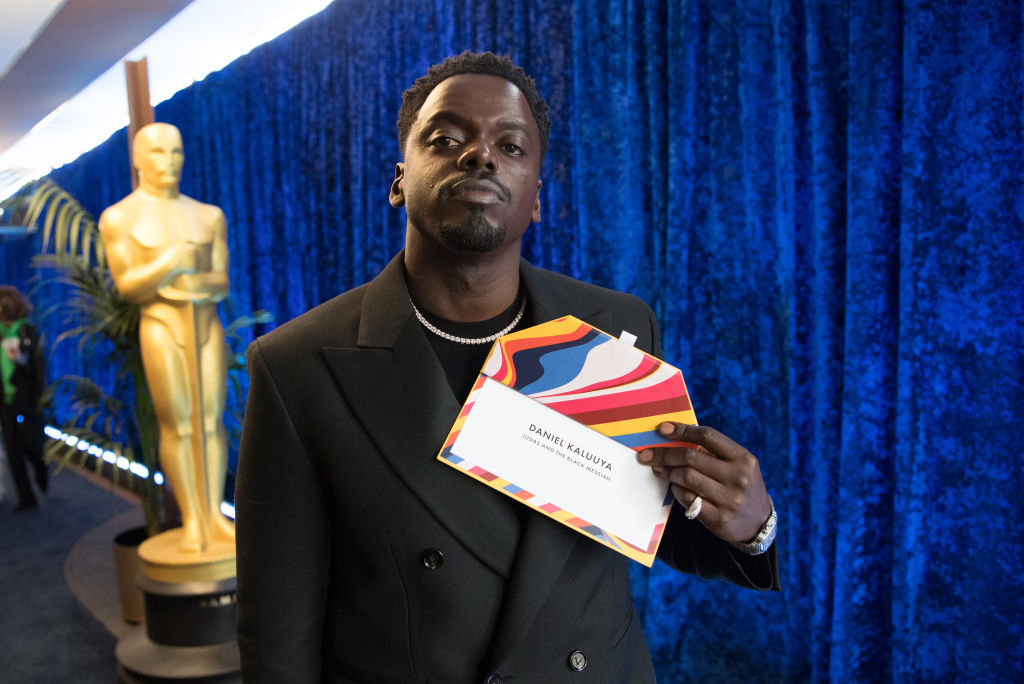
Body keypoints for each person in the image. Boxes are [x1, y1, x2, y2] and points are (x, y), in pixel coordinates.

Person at [236, 52, 779, 682]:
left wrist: (750, 527)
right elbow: (277, 632)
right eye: (446, 138)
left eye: (511, 145)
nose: (481, 155)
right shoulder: (297, 366)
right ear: (398, 179)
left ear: (537, 200)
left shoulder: (615, 327)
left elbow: (651, 521)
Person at [98, 123, 235, 554]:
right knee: (177, 421)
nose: (169, 162)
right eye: (158, 153)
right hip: (161, 327)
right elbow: (129, 287)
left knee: (211, 421)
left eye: (176, 152)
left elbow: (219, 281)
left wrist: (185, 282)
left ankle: (213, 514)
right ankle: (193, 520)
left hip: (205, 327)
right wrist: (174, 264)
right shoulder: (120, 217)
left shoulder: (207, 214)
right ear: (138, 159)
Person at [0, 285, 47, 512]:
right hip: (4, 400)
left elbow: (32, 365)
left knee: (30, 445)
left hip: (25, 398)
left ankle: (40, 469)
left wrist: (19, 359)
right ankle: (25, 496)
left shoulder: (26, 329)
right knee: (12, 449)